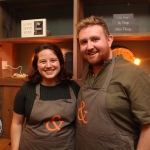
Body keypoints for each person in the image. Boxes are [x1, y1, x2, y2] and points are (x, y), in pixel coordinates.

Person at [75, 15, 150, 150]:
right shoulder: (86, 73)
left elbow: (148, 126)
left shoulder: (134, 74)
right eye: (83, 42)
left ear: (109, 40)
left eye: (95, 39)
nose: (89, 46)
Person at [10, 43, 80, 150]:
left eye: (53, 60)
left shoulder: (73, 87)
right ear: (36, 65)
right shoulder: (27, 89)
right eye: (43, 61)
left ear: (61, 63)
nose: (48, 65)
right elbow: (16, 123)